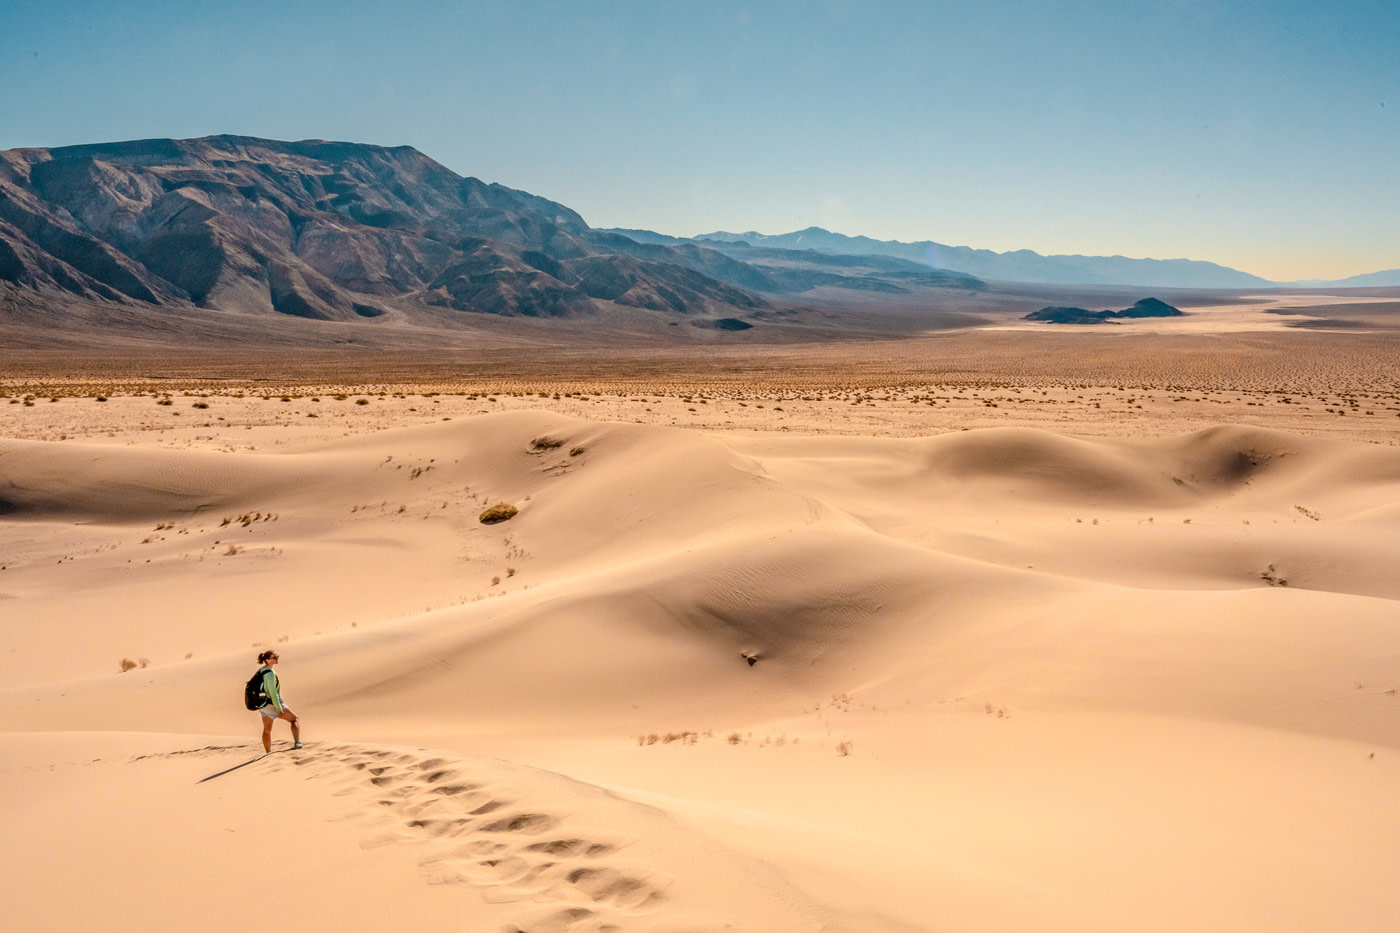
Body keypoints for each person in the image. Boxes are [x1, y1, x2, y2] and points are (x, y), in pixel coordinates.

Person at [254, 650, 302, 752]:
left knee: (267, 730)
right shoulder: (270, 674)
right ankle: (297, 742)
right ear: (267, 660)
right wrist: (279, 709)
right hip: (272, 703)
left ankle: (268, 752)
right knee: (294, 719)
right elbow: (273, 693)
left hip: (263, 705)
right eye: (274, 657)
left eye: (277, 657)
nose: (277, 659)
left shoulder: (262, 670)